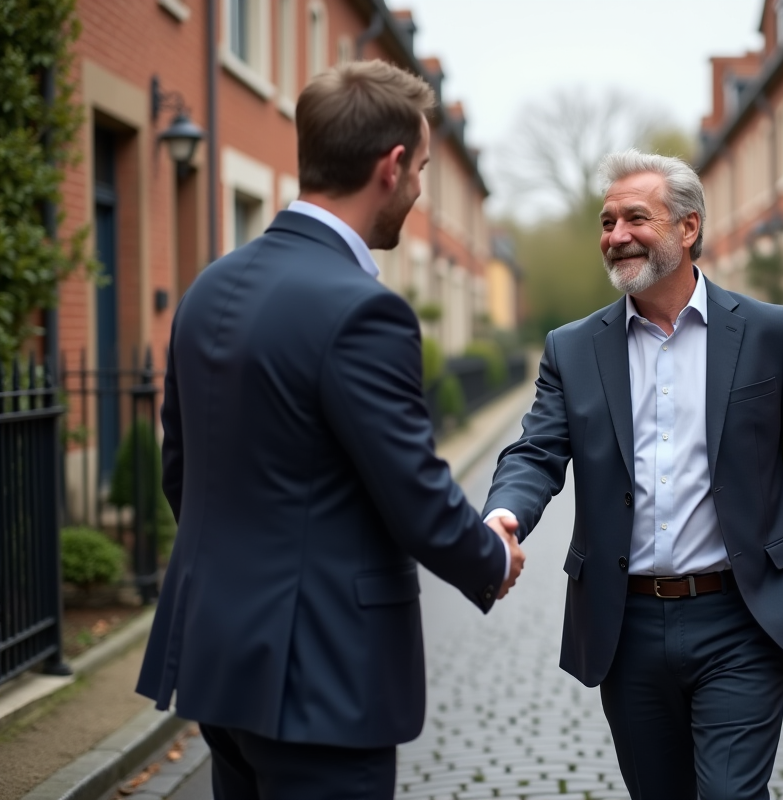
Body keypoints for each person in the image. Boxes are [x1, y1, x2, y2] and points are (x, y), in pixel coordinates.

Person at [136, 60, 525, 800]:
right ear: (392, 165)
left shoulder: (209, 287)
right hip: (320, 678)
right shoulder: (362, 310)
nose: (420, 191)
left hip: (219, 660)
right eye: (422, 171)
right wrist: (490, 555)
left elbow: (181, 473)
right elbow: (413, 491)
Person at [483, 149, 783, 800]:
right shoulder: (573, 348)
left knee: (732, 794)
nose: (616, 235)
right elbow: (536, 451)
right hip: (626, 625)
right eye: (607, 222)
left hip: (741, 619)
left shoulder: (768, 333)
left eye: (635, 218)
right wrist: (505, 513)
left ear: (688, 226)